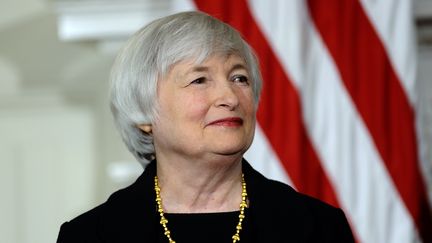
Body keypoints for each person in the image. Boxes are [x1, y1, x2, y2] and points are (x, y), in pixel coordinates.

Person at [56, 11, 355, 243]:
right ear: (143, 112)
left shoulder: (319, 228)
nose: (229, 97)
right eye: (199, 80)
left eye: (240, 78)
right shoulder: (91, 236)